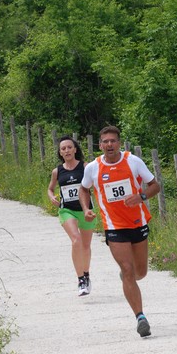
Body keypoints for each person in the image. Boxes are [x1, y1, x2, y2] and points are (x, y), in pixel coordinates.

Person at [79, 125, 160, 337]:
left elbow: (154, 186)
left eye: (113, 141)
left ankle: (128, 277)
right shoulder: (93, 168)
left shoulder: (133, 161)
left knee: (140, 272)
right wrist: (87, 208)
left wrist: (140, 197)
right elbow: (84, 188)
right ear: (100, 145)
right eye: (105, 141)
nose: (109, 145)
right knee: (127, 268)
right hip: (114, 226)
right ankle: (140, 318)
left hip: (137, 222)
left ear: (119, 143)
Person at [48, 135, 96, 297]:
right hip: (66, 210)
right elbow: (50, 188)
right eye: (63, 149)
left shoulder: (85, 167)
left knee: (85, 246)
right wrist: (51, 196)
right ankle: (81, 279)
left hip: (86, 210)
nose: (66, 150)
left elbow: (95, 185)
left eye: (69, 147)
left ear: (75, 149)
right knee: (76, 240)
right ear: (60, 153)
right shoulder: (57, 171)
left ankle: (87, 274)